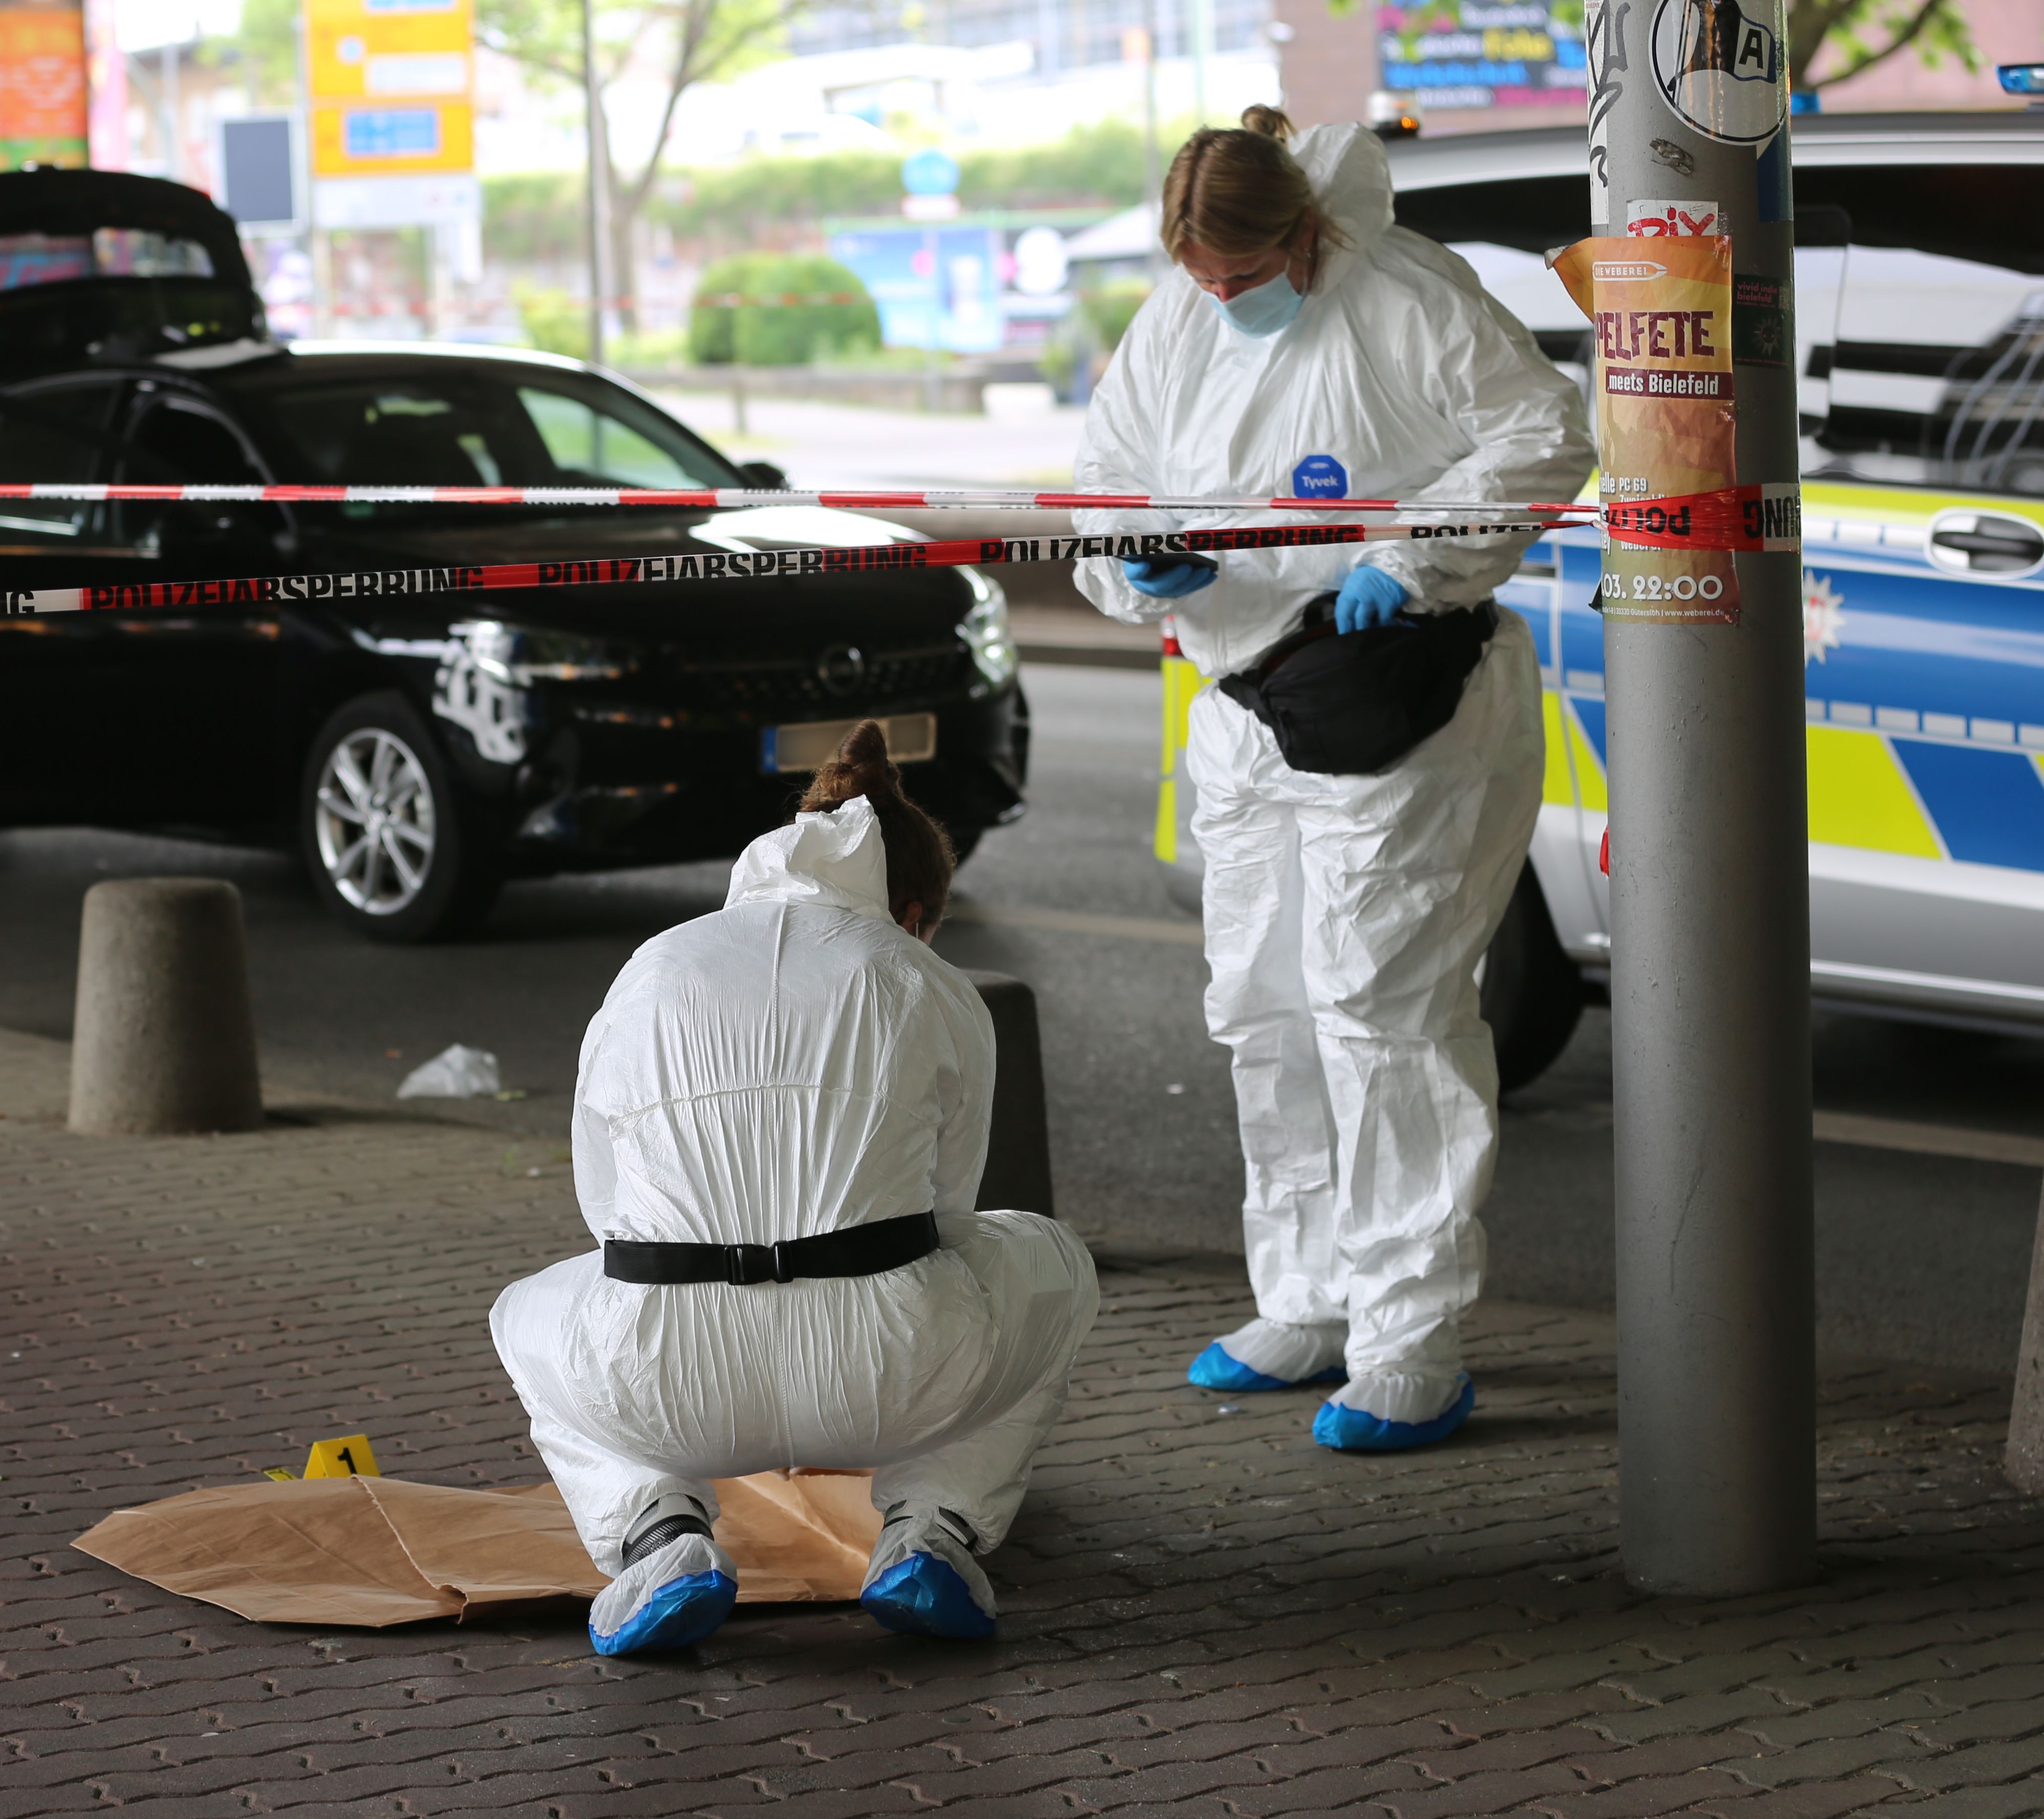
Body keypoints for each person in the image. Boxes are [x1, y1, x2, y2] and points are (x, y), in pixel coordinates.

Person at [1069, 108, 1593, 1452]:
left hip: (1399, 701)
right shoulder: (1181, 320)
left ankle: (1410, 1337)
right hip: (1244, 702)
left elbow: (1543, 434)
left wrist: (1411, 559)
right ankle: (1303, 1298)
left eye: (1244, 275)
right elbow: (1105, 483)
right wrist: (1137, 559)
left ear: (1302, 232)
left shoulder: (1406, 297)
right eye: (1201, 278)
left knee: (1384, 1013)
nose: (1223, 298)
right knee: (1265, 1006)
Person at [491, 722, 1101, 1655]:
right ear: (913, 911)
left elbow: (605, 1208)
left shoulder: (655, 964)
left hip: (666, 1382)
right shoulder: (923, 978)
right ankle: (932, 1530)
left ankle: (658, 1537)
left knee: (523, 1315)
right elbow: (951, 1209)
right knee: (1053, 1265)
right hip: (893, 1371)